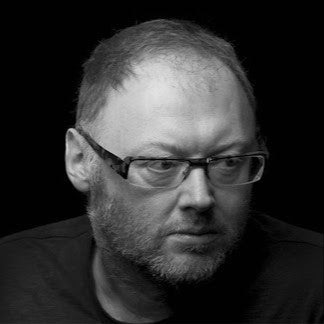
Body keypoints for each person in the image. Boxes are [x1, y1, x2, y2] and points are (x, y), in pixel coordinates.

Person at [0, 19, 323, 324]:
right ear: (80, 160)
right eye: (161, 164)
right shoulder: (10, 281)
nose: (201, 198)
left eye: (228, 162)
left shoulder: (314, 286)